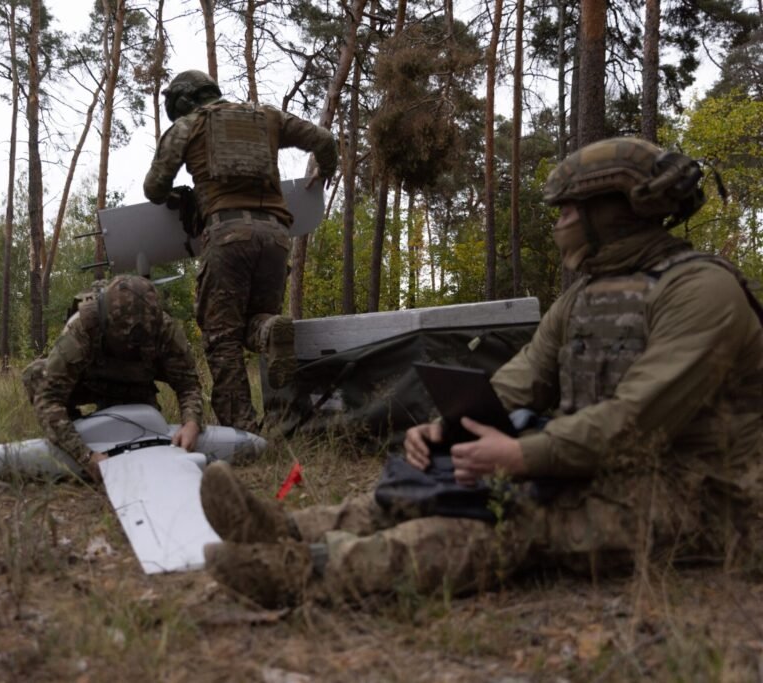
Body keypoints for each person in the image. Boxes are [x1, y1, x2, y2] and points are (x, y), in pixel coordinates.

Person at [197, 137, 763, 607]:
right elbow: (525, 377)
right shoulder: (589, 294)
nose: (561, 224)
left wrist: (522, 457)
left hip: (703, 499)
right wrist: (448, 430)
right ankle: (286, 530)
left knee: (513, 516)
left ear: (614, 213)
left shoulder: (702, 292)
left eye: (569, 211)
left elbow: (637, 416)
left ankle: (311, 573)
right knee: (442, 477)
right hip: (603, 470)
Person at [143, 70, 339, 431]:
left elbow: (154, 187)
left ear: (185, 101)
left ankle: (244, 431)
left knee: (222, 337)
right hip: (278, 237)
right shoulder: (267, 117)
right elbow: (325, 139)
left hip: (227, 235)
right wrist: (324, 170)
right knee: (254, 322)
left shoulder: (189, 126)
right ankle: (269, 331)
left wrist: (179, 195)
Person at [22, 275, 203, 481]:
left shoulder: (165, 329)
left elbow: (188, 385)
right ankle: (72, 432)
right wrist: (83, 454)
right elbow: (49, 397)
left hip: (135, 389)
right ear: (105, 321)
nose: (132, 346)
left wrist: (191, 422)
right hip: (88, 383)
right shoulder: (82, 329)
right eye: (125, 338)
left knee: (141, 429)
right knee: (36, 374)